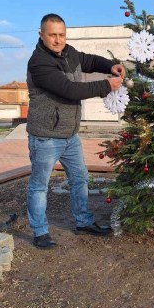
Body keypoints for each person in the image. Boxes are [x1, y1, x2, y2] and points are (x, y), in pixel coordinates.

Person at [26, 13, 125, 249]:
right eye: (52, 35)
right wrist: (105, 86)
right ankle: (40, 232)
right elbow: (69, 89)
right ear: (41, 35)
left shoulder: (70, 53)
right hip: (46, 137)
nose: (58, 40)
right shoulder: (39, 62)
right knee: (39, 185)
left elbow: (88, 60)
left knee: (80, 179)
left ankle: (83, 222)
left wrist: (109, 65)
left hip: (70, 135)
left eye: (61, 34)